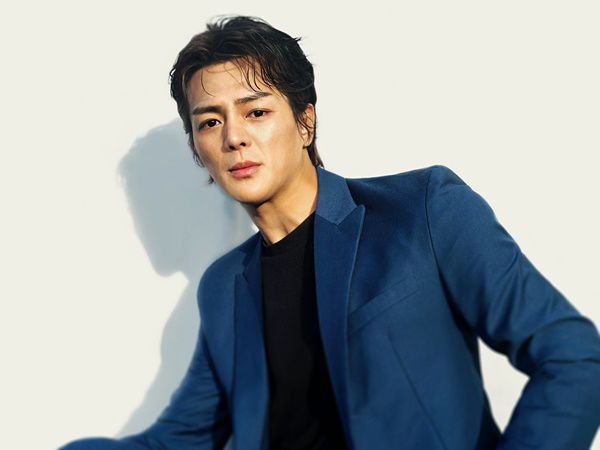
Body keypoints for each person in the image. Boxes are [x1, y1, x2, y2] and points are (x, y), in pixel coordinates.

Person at [59, 14, 600, 450]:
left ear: (305, 122)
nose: (234, 138)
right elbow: (178, 440)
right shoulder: (225, 287)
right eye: (210, 121)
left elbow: (573, 356)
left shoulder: (424, 210)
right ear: (198, 150)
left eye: (256, 111)